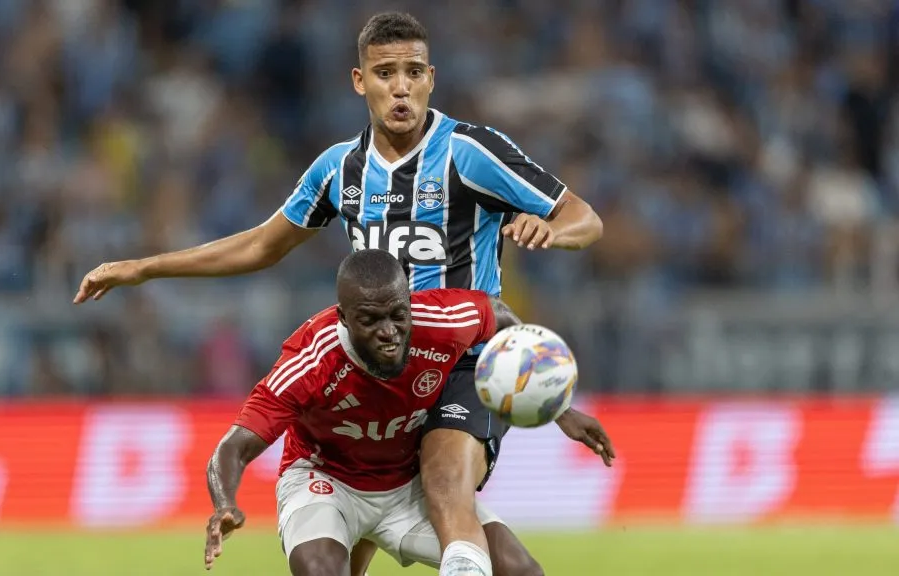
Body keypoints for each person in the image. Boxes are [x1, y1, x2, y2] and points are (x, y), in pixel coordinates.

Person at [74, 12, 613, 576]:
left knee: (446, 482)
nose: (400, 88)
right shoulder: (340, 169)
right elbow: (261, 245)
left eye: (413, 73)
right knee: (349, 540)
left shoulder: (471, 153)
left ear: (431, 78)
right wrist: (144, 268)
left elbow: (584, 217)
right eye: (385, 73)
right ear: (360, 81)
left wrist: (552, 231)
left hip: (462, 362)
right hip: (377, 368)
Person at [204, 249, 565, 576]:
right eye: (371, 320)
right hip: (328, 483)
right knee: (319, 569)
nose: (389, 332)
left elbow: (499, 315)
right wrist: (224, 504)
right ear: (343, 317)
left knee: (520, 571)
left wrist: (557, 407)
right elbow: (234, 447)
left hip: (408, 486)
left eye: (397, 315)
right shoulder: (310, 361)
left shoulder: (441, 320)